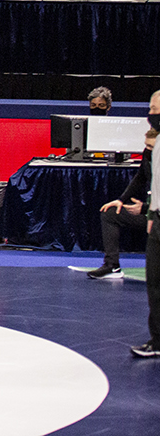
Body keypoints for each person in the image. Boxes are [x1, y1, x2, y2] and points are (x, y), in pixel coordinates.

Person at [91, 129, 156, 279]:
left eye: (153, 147)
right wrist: (121, 200)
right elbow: (140, 178)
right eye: (147, 146)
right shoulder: (148, 155)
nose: (149, 150)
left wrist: (145, 208)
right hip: (150, 214)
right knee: (110, 214)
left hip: (155, 215)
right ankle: (111, 266)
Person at [129, 90, 160, 357]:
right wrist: (151, 214)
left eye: (155, 108)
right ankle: (157, 340)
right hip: (158, 220)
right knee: (154, 281)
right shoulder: (157, 144)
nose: (151, 114)